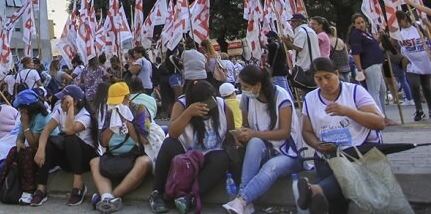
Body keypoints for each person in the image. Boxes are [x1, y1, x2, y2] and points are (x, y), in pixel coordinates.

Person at [297, 58, 386, 214]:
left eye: (328, 77)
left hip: (358, 151)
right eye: (319, 79)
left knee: (338, 180)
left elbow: (379, 122)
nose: (324, 83)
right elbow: (307, 131)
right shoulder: (310, 98)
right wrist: (317, 145)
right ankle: (316, 191)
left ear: (337, 74)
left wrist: (347, 111)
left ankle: (315, 190)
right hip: (327, 154)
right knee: (330, 187)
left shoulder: (354, 91)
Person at [223, 66, 303, 214]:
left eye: (245, 86)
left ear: (258, 86)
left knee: (271, 166)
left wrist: (254, 134)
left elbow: (284, 133)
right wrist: (241, 133)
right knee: (254, 142)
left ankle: (242, 200)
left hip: (288, 152)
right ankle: (243, 202)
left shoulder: (281, 96)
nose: (242, 89)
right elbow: (246, 125)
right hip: (263, 149)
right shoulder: (247, 98)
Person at [148, 80, 235, 214]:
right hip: (186, 152)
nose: (208, 106)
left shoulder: (222, 106)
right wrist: (188, 113)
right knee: (169, 144)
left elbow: (230, 137)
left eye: (210, 102)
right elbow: (173, 132)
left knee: (222, 158)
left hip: (210, 155)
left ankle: (190, 197)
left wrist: (237, 138)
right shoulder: (182, 104)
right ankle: (157, 193)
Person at [88, 82, 152, 213]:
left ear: (127, 98)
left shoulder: (139, 110)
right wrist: (114, 125)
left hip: (133, 155)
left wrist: (127, 122)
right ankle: (106, 196)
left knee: (145, 162)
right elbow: (103, 143)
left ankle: (111, 197)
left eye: (120, 101)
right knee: (94, 162)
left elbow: (143, 140)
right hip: (113, 155)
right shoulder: (109, 113)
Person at [33, 84, 99, 206]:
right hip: (69, 158)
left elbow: (70, 130)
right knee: (49, 143)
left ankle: (78, 184)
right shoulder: (60, 111)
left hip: (85, 158)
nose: (60, 102)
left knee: (70, 137)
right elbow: (46, 130)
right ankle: (41, 189)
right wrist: (41, 149)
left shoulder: (85, 115)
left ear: (74, 102)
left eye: (64, 100)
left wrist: (70, 109)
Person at [0, 89, 48, 205]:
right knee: (12, 151)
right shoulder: (24, 117)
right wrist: (18, 142)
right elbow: (20, 136)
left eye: (21, 108)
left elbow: (33, 143)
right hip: (33, 149)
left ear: (28, 108)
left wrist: (26, 124)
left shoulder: (41, 118)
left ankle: (28, 190)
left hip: (44, 151)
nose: (19, 110)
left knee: (26, 153)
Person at [391, 10, 431, 121]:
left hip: (425, 61)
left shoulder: (418, 26)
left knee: (427, 86)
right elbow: (392, 47)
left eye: (399, 21)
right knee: (414, 85)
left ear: (405, 19)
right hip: (411, 62)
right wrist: (401, 58)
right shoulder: (397, 32)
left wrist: (428, 25)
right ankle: (419, 110)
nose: (399, 23)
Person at [347, 13, 388, 113]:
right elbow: (356, 53)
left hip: (377, 63)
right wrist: (360, 69)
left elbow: (373, 44)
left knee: (382, 90)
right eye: (358, 23)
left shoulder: (365, 33)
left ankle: (383, 114)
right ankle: (378, 115)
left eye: (362, 22)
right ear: (354, 25)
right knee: (374, 91)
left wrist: (380, 37)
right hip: (369, 64)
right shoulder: (356, 35)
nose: (361, 24)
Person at [285, 13, 320, 78]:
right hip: (313, 64)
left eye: (293, 21)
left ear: (299, 21)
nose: (291, 23)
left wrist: (286, 42)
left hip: (304, 67)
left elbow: (298, 47)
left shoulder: (301, 31)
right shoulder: (310, 30)